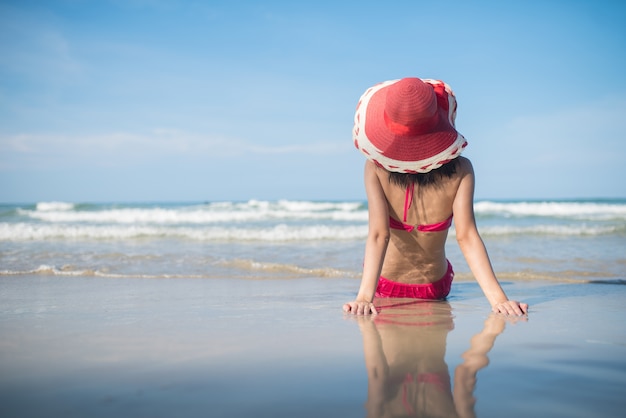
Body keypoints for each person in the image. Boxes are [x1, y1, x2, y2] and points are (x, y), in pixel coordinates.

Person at [343, 77, 528, 316]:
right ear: (439, 119)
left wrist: (364, 298)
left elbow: (379, 235)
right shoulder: (462, 169)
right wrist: (498, 300)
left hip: (383, 287)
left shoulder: (375, 168)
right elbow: (467, 236)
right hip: (436, 288)